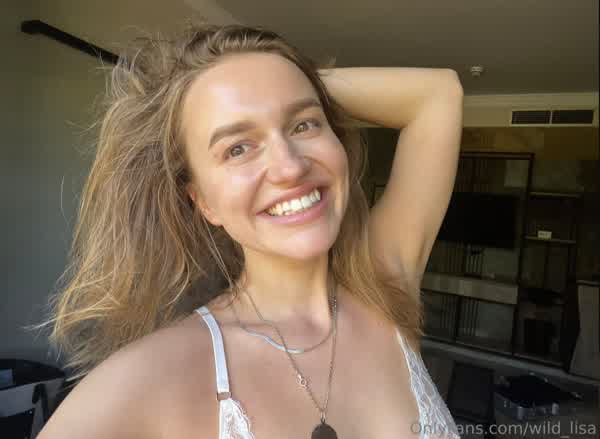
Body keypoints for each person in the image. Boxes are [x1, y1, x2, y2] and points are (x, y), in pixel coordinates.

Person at [35, 23, 463, 438]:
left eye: (304, 123)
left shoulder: (385, 285)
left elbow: (439, 94)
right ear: (202, 200)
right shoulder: (152, 375)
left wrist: (288, 78)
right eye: (238, 148)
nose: (290, 167)